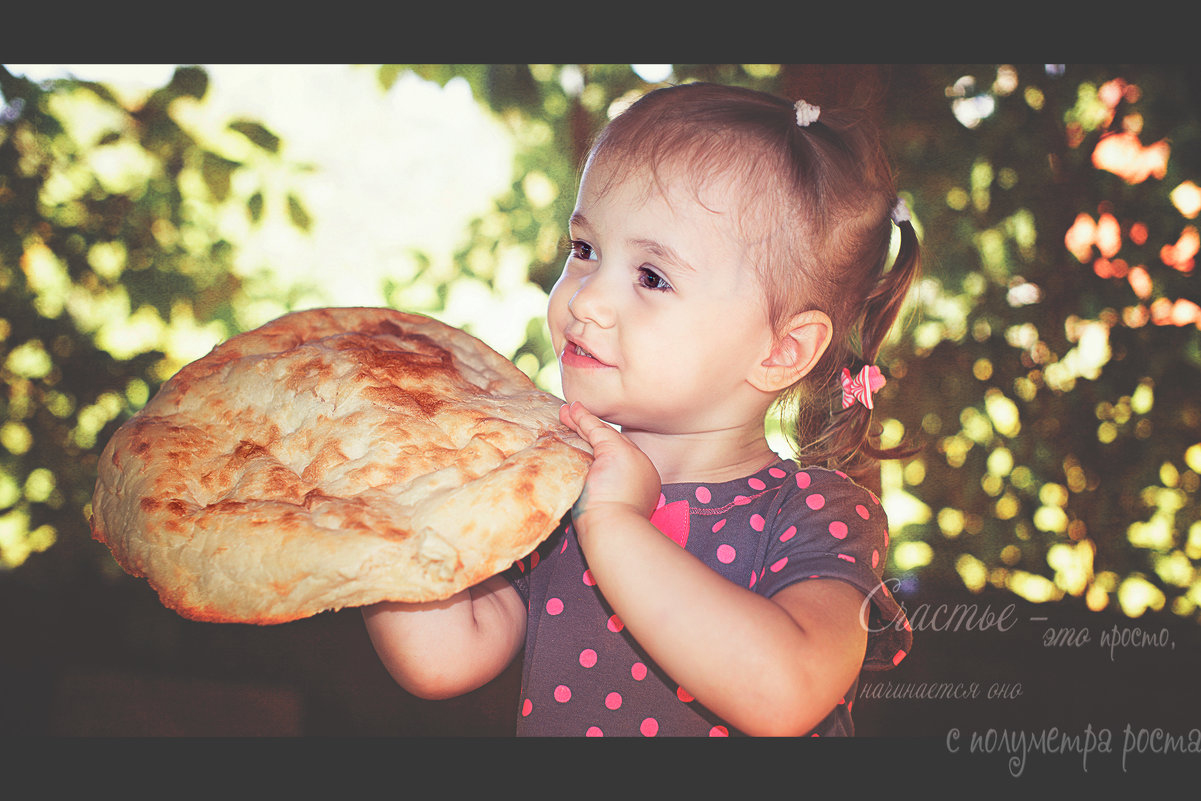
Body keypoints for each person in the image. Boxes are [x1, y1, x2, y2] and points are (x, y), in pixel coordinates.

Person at [363, 82, 918, 737]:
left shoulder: (815, 513)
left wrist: (613, 521)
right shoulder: (548, 483)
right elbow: (444, 657)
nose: (586, 299)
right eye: (584, 250)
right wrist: (377, 511)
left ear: (779, 350)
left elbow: (784, 691)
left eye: (651, 277)